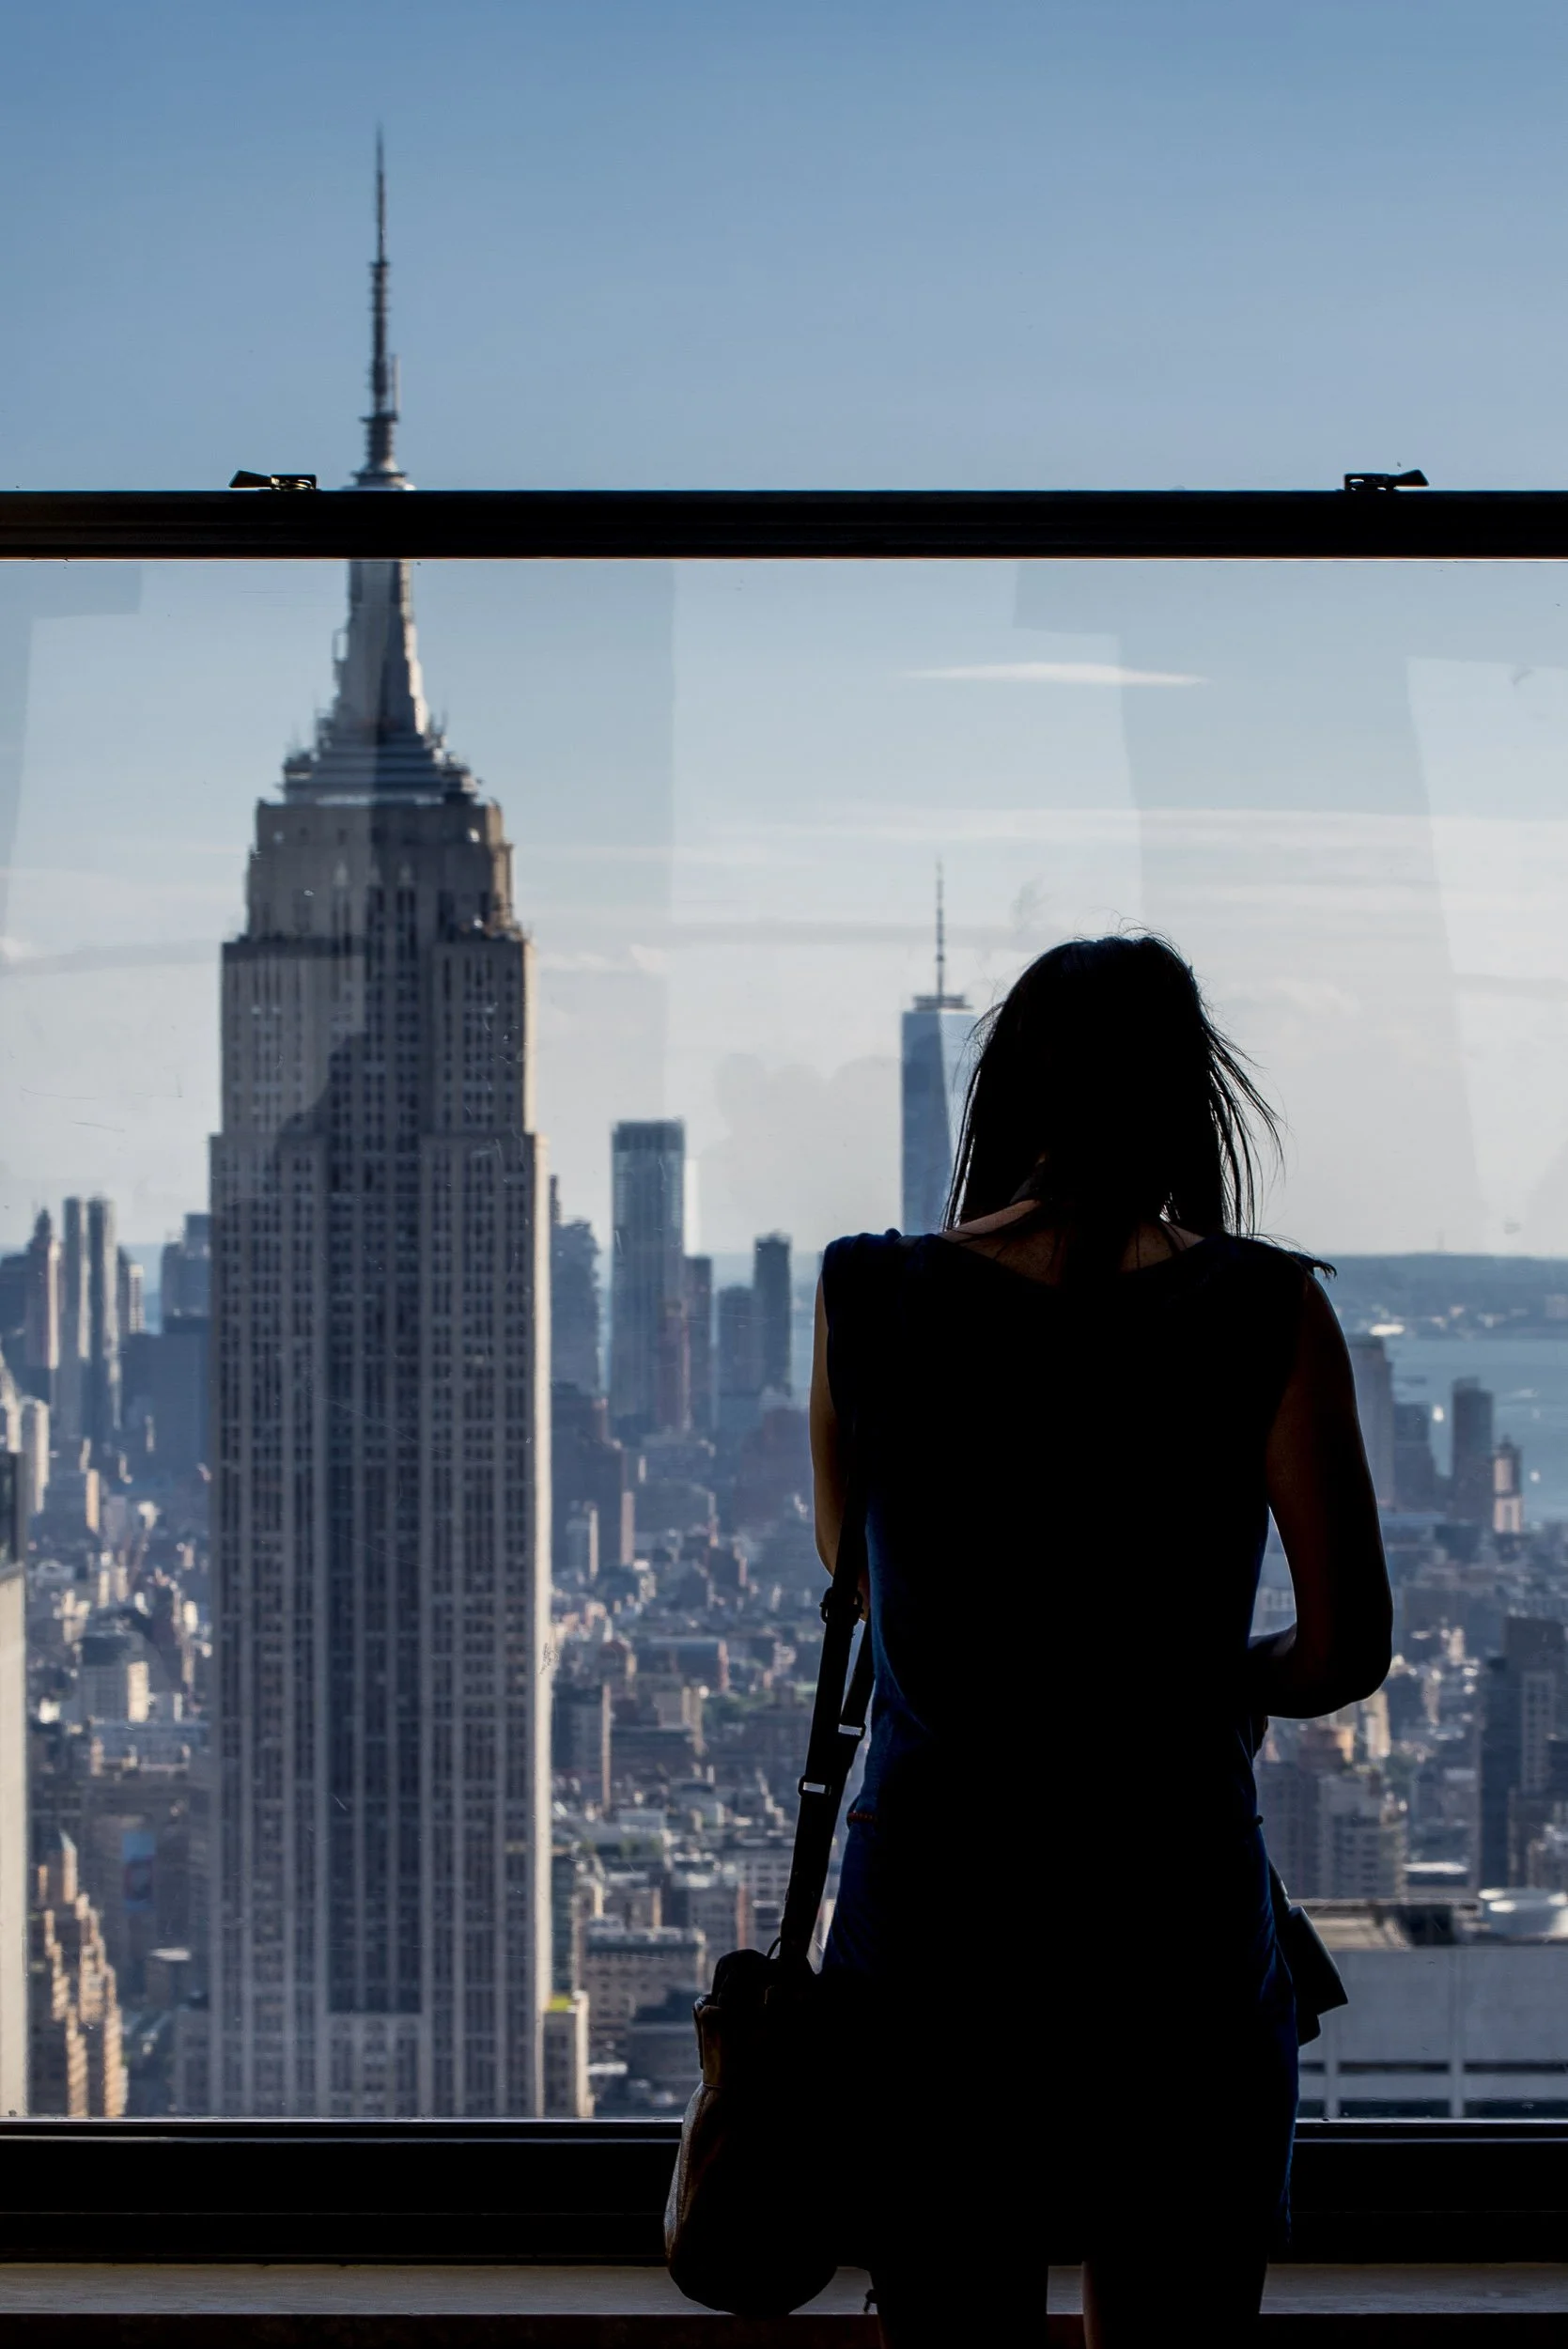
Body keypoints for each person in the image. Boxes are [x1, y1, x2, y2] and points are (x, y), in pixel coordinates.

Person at [810, 934, 1391, 2348]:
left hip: (932, 1917)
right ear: (1193, 1104)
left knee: (954, 2335)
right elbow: (1344, 1650)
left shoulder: (868, 1297)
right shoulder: (1269, 1312)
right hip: (1169, 1918)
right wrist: (1211, 1680)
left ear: (1003, 1098)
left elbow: (866, 1581)